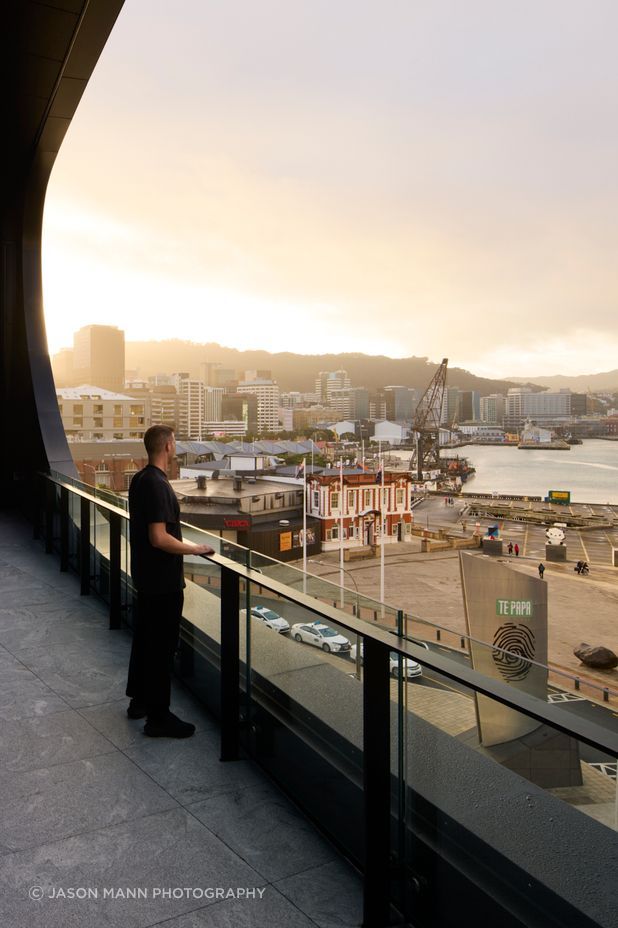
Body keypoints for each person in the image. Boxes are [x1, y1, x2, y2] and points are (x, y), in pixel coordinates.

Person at [126, 425, 214, 738]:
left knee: (146, 641)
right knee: (162, 649)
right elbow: (159, 537)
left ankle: (139, 702)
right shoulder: (158, 485)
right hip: (163, 582)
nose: (175, 446)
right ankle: (158, 718)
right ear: (168, 446)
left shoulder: (139, 478)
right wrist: (196, 548)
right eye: (174, 441)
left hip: (146, 577)